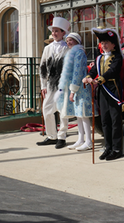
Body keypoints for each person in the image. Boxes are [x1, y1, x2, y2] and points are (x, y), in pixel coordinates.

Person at [83, 28, 124, 161]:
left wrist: (98, 79)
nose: (104, 45)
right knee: (105, 121)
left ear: (113, 44)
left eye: (107, 42)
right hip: (102, 91)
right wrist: (88, 77)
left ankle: (117, 149)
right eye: (102, 43)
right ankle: (108, 147)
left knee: (115, 121)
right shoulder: (99, 58)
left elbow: (112, 71)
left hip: (112, 90)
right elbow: (94, 70)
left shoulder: (117, 57)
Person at [37, 17, 71, 149]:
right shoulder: (48, 48)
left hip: (63, 83)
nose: (55, 33)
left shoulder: (67, 48)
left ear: (63, 33)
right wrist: (43, 85)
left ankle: (62, 137)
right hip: (51, 83)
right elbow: (43, 67)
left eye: (57, 31)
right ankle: (52, 136)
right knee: (46, 109)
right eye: (53, 31)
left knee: (62, 110)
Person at [56, 32, 93, 151]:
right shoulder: (73, 53)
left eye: (71, 40)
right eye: (67, 41)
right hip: (76, 87)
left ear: (77, 41)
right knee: (79, 114)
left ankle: (88, 141)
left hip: (81, 87)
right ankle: (81, 139)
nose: (68, 42)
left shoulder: (79, 53)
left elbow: (77, 72)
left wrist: (73, 90)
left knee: (84, 115)